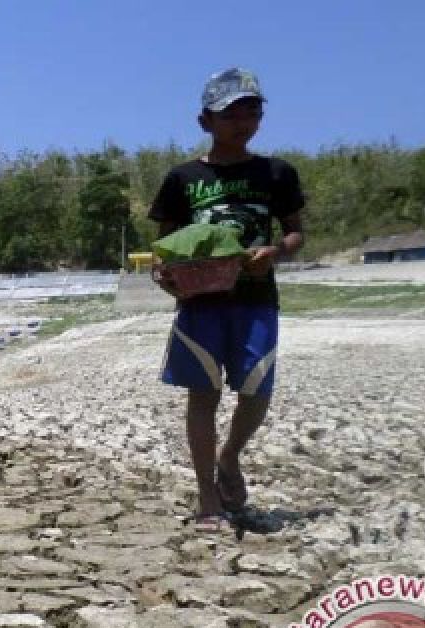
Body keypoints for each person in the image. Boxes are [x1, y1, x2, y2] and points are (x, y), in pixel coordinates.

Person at [148, 67, 305, 532]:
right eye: (230, 114)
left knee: (256, 390)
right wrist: (166, 276)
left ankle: (229, 455)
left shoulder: (275, 173)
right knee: (203, 395)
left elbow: (296, 233)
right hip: (200, 303)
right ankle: (207, 501)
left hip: (256, 299)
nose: (243, 122)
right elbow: (166, 246)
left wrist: (276, 252)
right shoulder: (183, 178)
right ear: (205, 122)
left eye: (252, 111)